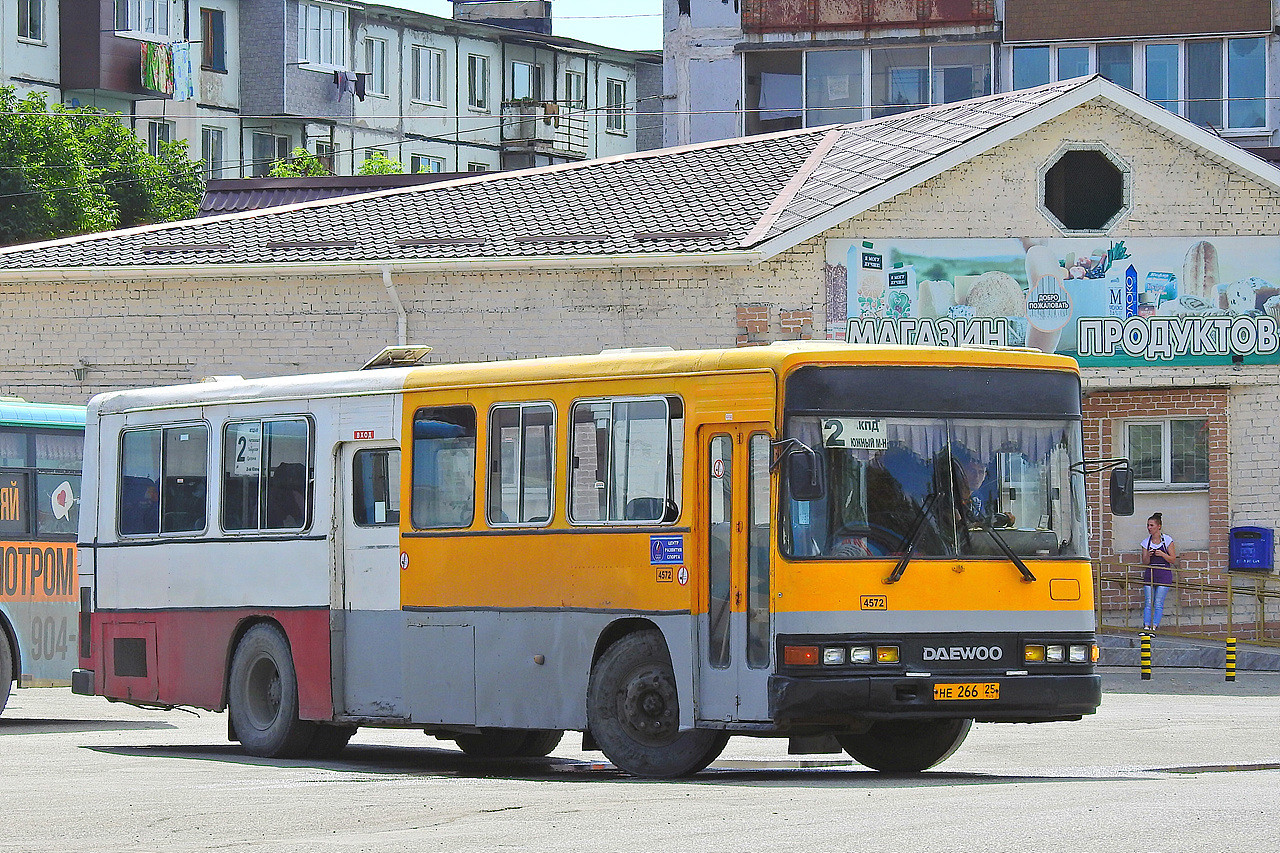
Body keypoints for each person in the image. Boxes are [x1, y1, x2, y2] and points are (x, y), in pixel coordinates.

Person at [1140, 512, 1176, 632]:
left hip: (1163, 573)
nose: (1149, 528)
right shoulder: (1146, 542)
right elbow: (1144, 562)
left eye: (1151, 525)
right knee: (1148, 602)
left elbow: (1173, 559)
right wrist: (1149, 555)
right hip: (1150, 573)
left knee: (1158, 602)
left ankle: (1154, 627)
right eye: (1148, 526)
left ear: (1158, 526)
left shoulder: (1167, 540)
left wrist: (1162, 554)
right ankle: (1146, 626)